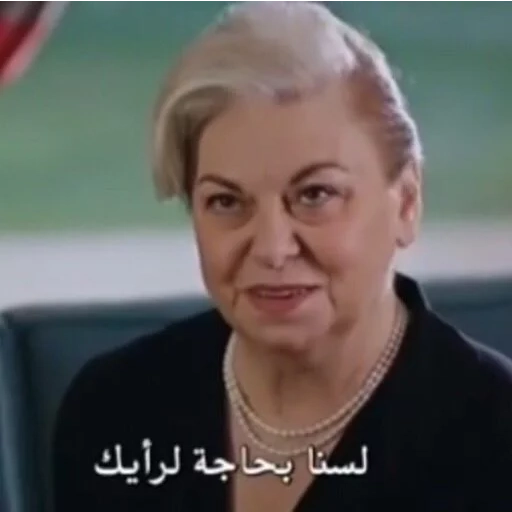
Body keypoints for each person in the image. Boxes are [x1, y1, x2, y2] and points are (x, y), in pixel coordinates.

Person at [52, 1, 512, 511]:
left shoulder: (497, 436)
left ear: (406, 202)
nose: (272, 249)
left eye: (315, 195)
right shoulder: (114, 409)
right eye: (227, 202)